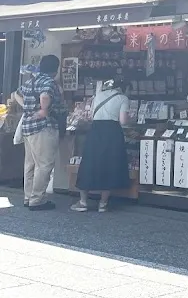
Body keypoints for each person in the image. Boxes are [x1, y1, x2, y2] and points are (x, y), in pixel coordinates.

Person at [72, 79, 131, 213]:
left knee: (89, 163)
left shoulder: (98, 96)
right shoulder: (123, 98)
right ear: (123, 88)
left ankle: (83, 202)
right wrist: (129, 118)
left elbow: (92, 115)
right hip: (112, 132)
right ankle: (103, 204)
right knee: (109, 165)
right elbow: (123, 121)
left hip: (96, 130)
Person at [13, 55, 64, 211]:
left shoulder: (31, 81)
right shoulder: (49, 82)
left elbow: (16, 94)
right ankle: (37, 199)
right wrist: (43, 110)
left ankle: (28, 197)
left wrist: (27, 108)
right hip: (43, 127)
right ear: (56, 69)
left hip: (28, 127)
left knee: (30, 164)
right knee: (44, 164)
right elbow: (45, 95)